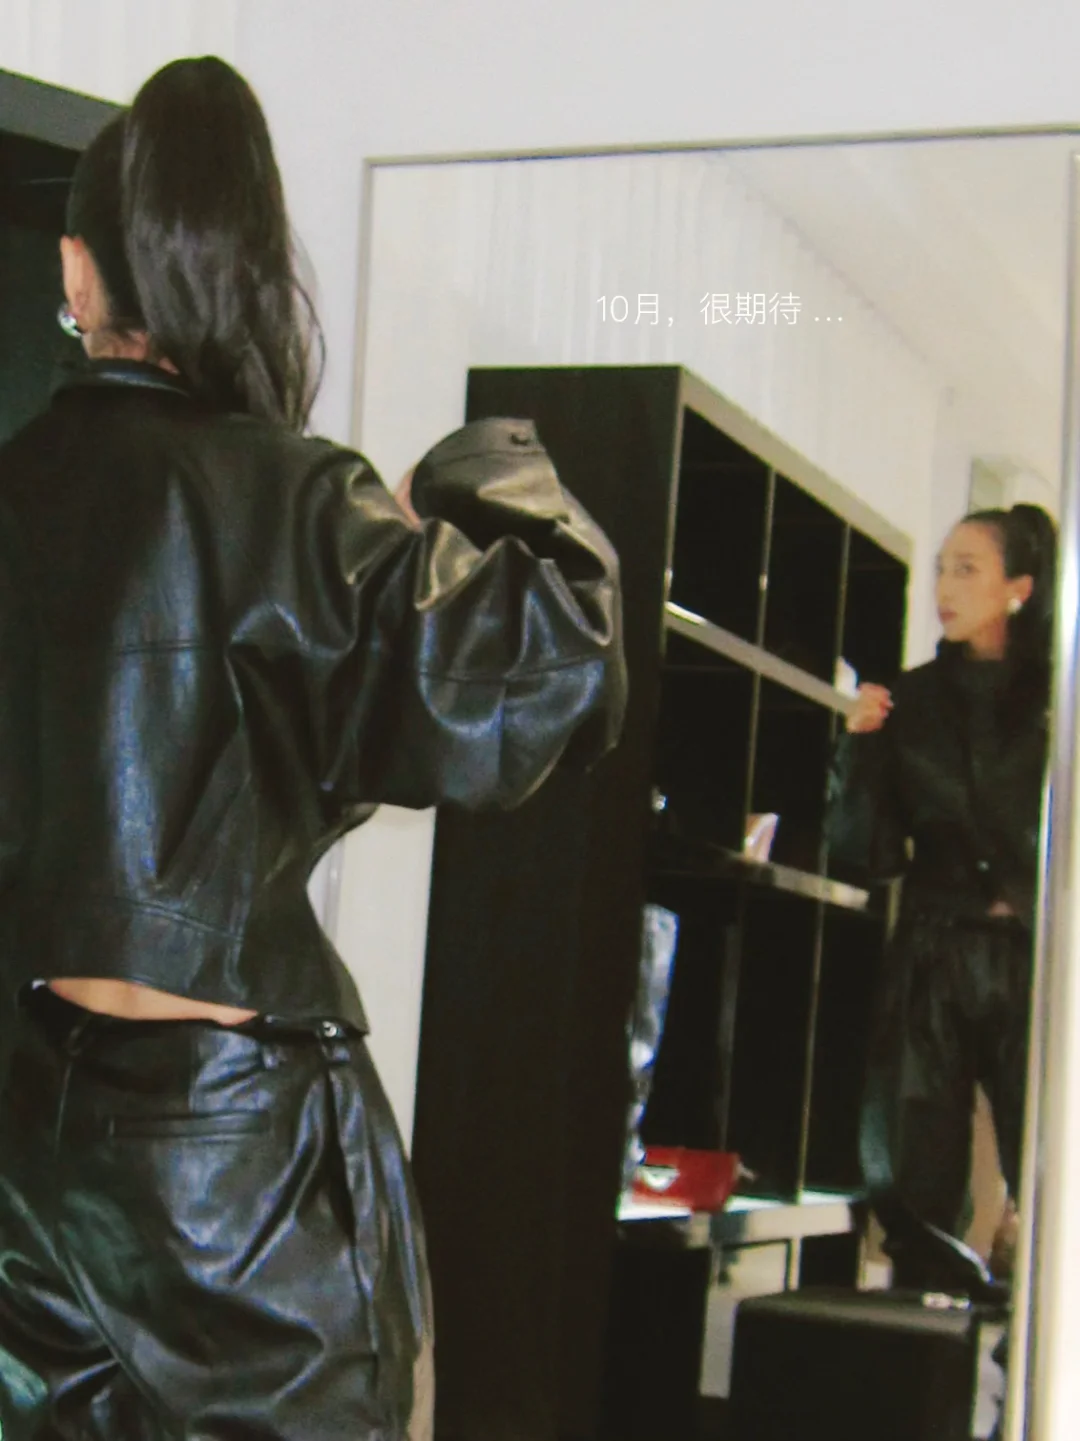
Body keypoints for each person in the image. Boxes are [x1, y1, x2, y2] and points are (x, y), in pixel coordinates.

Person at [0, 57, 625, 1441]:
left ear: (76, 270)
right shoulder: (293, 500)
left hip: (28, 1143)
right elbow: (558, 664)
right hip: (236, 1155)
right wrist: (470, 481)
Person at [826, 502, 1055, 1294]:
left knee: (1053, 1166)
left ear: (1019, 587)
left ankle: (1034, 1343)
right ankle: (930, 1335)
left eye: (967, 569)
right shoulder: (909, 701)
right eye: (941, 569)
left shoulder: (1059, 706)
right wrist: (860, 751)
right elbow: (867, 855)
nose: (945, 588)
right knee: (913, 1174)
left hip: (1036, 959)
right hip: (932, 954)